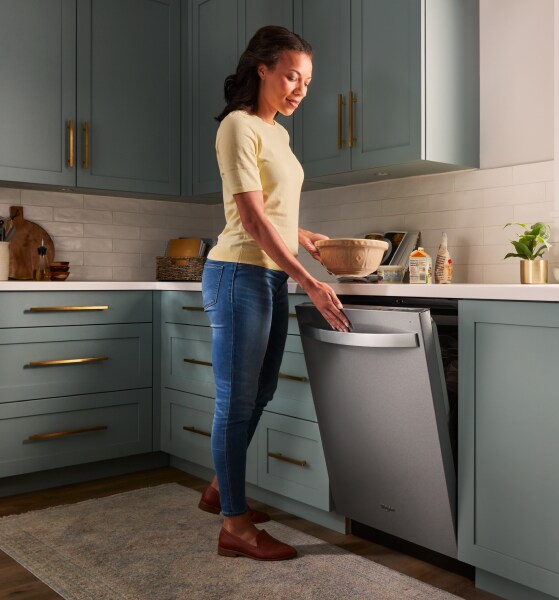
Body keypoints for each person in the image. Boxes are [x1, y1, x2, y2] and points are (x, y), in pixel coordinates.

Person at [198, 25, 350, 562]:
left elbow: (276, 216)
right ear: (261, 68)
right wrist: (309, 278)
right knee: (235, 404)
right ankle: (234, 528)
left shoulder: (278, 134)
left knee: (259, 393)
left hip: (269, 275)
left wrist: (305, 239)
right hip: (238, 275)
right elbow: (252, 219)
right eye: (291, 75)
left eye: (306, 81)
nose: (299, 90)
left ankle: (221, 488)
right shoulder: (238, 127)